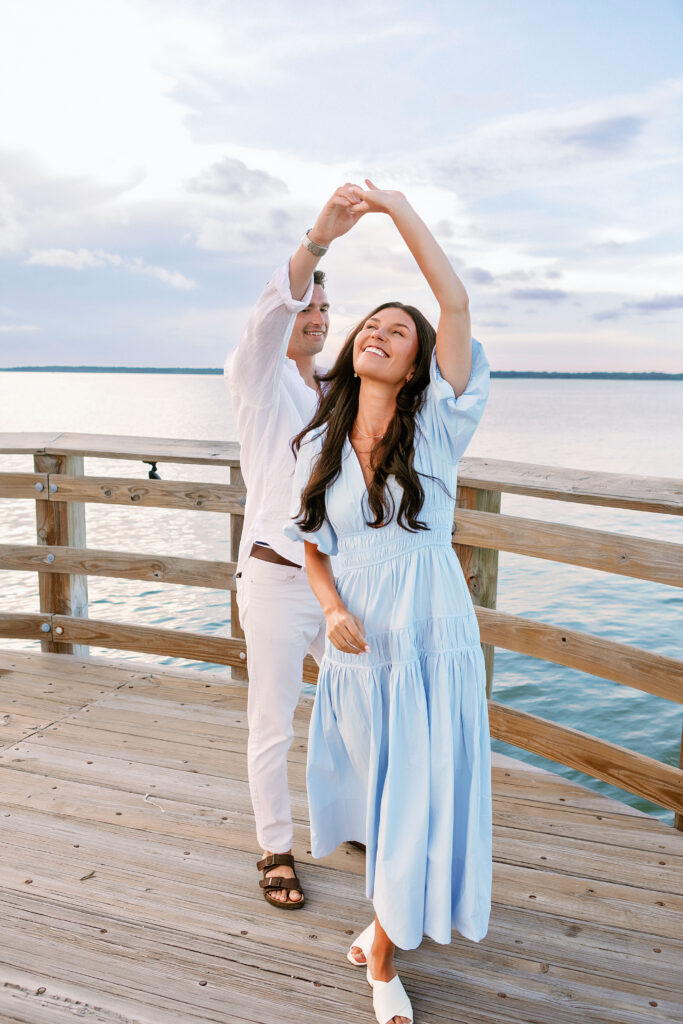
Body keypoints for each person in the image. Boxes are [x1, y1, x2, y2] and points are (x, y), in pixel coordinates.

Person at [284, 181, 492, 1024]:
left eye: (395, 331)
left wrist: (396, 209)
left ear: (416, 365)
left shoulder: (439, 424)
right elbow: (312, 546)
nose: (377, 332)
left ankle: (381, 957)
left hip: (432, 635)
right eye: (370, 324)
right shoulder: (324, 444)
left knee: (422, 793)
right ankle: (382, 925)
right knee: (381, 795)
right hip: (361, 645)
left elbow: (453, 298)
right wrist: (330, 608)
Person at [224, 242, 334, 908]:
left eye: (323, 307)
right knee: (272, 722)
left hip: (335, 583)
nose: (315, 318)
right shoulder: (257, 380)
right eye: (304, 309)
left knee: (360, 705)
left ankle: (345, 819)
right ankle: (275, 845)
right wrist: (317, 241)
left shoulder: (335, 388)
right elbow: (268, 317)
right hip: (273, 581)